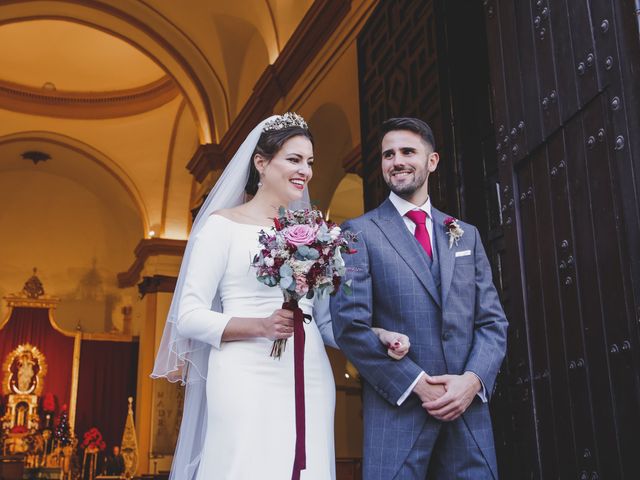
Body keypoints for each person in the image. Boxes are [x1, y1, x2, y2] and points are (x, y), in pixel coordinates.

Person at [151, 113, 410, 480]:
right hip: (243, 371)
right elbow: (189, 316)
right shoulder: (221, 227)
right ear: (261, 163)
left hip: (308, 371)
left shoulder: (316, 232)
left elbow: (324, 322)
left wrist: (376, 335)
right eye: (293, 159)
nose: (305, 170)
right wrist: (260, 325)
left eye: (309, 162)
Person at [331, 117, 508, 479]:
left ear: (432, 161)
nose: (396, 161)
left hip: (467, 418)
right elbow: (350, 327)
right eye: (388, 154)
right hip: (399, 418)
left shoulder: (466, 235)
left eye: (408, 151)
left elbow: (492, 323)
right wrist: (420, 385)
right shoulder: (357, 234)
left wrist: (472, 381)